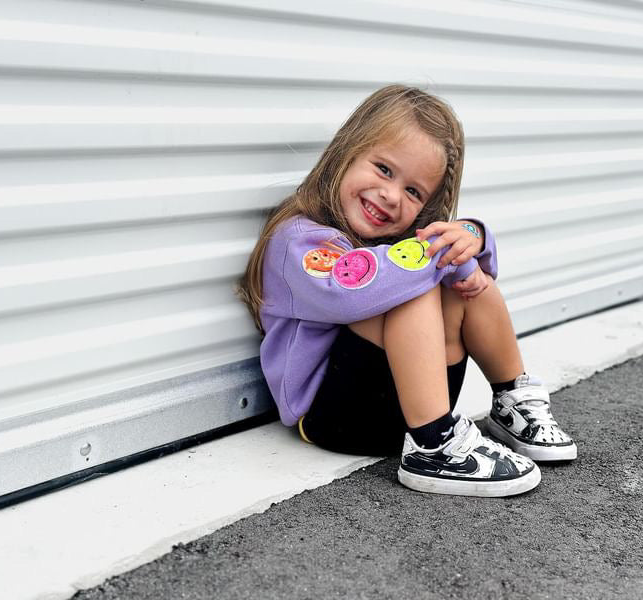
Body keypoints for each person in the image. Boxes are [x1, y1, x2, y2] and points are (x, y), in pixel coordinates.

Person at [238, 85, 576, 498]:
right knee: (409, 285)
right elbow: (350, 292)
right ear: (347, 152)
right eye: (383, 169)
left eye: (414, 192)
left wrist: (468, 237)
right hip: (332, 415)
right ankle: (434, 450)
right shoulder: (299, 240)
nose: (391, 195)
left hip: (407, 407)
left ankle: (510, 402)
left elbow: (467, 271)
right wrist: (442, 253)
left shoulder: (399, 248)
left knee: (470, 289)